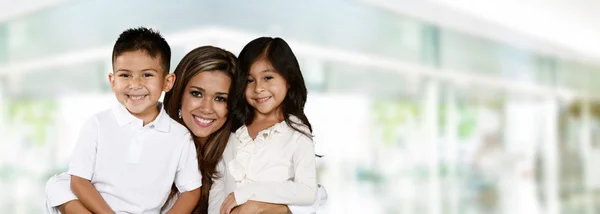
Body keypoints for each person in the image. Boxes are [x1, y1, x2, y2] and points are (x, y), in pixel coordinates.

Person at [45, 27, 201, 214]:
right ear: (112, 81)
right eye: (125, 75)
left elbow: (190, 191)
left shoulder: (179, 136)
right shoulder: (97, 125)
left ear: (167, 82)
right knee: (55, 186)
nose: (135, 85)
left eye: (147, 75)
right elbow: (79, 181)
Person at [217, 37, 318, 214]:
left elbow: (308, 191)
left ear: (288, 79)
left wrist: (247, 193)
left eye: (268, 77)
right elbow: (219, 185)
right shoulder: (234, 129)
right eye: (249, 80)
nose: (258, 88)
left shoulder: (296, 133)